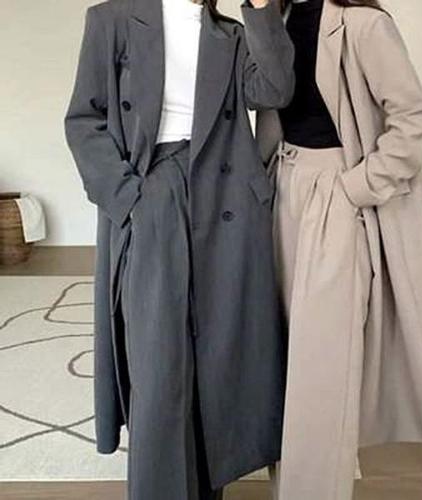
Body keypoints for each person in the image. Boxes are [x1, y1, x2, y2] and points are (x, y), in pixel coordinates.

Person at [63, 0, 294, 498]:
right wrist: (128, 197)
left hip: (224, 197)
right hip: (153, 189)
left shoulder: (231, 34)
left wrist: (260, 9)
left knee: (217, 356)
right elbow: (84, 118)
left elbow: (275, 88)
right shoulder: (112, 20)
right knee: (159, 359)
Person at [257, 0, 422, 498]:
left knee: (325, 360)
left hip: (336, 191)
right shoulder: (277, 19)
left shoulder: (364, 24)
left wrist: (356, 188)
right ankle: (289, 484)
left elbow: (412, 118)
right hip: (282, 188)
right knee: (285, 356)